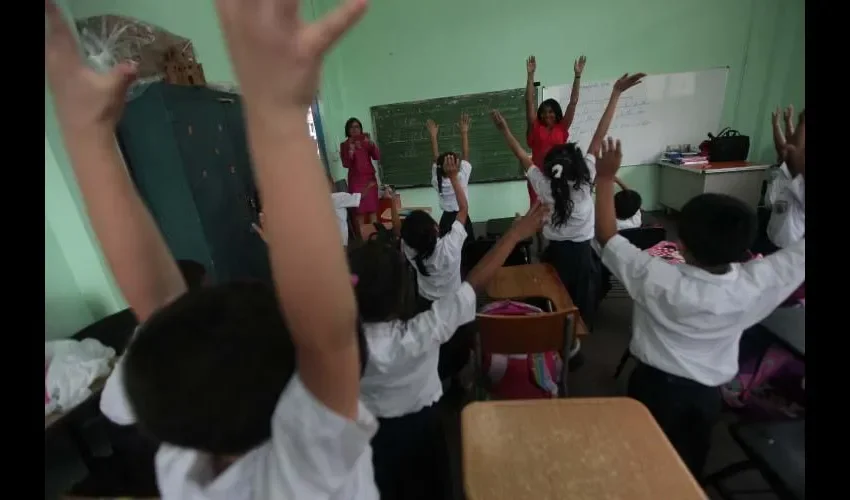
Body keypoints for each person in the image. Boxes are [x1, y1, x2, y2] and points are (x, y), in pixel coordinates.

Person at [47, 0, 379, 499]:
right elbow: (326, 333)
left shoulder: (187, 463)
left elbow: (162, 307)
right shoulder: (312, 468)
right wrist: (276, 111)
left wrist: (88, 137)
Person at [593, 136, 805, 479]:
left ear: (681, 245)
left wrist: (604, 179)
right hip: (705, 396)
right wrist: (800, 176)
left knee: (639, 458)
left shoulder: (655, 277)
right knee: (688, 466)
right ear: (745, 246)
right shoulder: (757, 283)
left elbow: (607, 236)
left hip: (652, 387)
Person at [350, 201, 548, 500]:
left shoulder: (334, 346)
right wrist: (514, 235)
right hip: (421, 431)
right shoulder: (425, 330)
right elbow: (474, 283)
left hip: (367, 438)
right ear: (401, 292)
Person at [491, 71, 645, 334]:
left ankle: (555, 335)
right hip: (584, 256)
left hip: (555, 256)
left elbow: (520, 154)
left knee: (553, 299)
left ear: (549, 169)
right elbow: (599, 134)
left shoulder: (544, 186)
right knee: (582, 303)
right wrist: (616, 93)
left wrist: (504, 130)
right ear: (577, 165)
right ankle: (576, 336)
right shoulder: (585, 183)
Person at [401, 155, 472, 382]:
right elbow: (463, 208)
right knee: (456, 343)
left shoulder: (409, 249)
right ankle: (457, 378)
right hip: (452, 305)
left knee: (434, 344)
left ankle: (436, 376)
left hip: (426, 306)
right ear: (435, 228)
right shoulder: (450, 246)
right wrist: (454, 176)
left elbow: (402, 233)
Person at [524, 54, 586, 207]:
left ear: (556, 112)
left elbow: (573, 102)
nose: (547, 115)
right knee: (538, 212)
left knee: (559, 210)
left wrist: (577, 76)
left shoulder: (562, 127)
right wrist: (530, 76)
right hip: (538, 176)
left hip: (559, 176)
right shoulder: (535, 127)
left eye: (551, 111)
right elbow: (529, 101)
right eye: (544, 112)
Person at [426, 113, 475, 239]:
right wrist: (464, 132)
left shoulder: (437, 180)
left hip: (446, 220)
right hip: (462, 218)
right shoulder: (461, 178)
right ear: (456, 166)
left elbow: (436, 159)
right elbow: (466, 154)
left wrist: (433, 136)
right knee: (468, 247)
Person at [341, 117, 382, 225]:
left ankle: (375, 234)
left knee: (373, 211)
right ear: (347, 130)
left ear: (361, 129)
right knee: (359, 213)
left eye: (357, 127)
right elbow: (346, 164)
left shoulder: (365, 142)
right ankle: (362, 236)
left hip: (369, 180)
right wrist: (351, 150)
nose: (355, 129)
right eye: (351, 127)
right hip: (356, 182)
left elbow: (377, 156)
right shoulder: (344, 145)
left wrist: (371, 144)